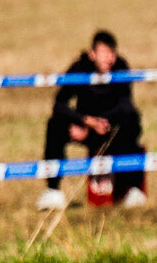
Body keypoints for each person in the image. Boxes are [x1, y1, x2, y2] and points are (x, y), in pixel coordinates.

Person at [36, 30, 146, 211]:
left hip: (112, 128)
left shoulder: (121, 67)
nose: (109, 59)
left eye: (112, 54)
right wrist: (83, 121)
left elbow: (127, 104)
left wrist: (104, 122)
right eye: (104, 54)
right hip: (85, 127)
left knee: (131, 122)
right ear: (92, 53)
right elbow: (59, 104)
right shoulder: (79, 68)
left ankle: (133, 189)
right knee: (54, 125)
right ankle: (53, 191)